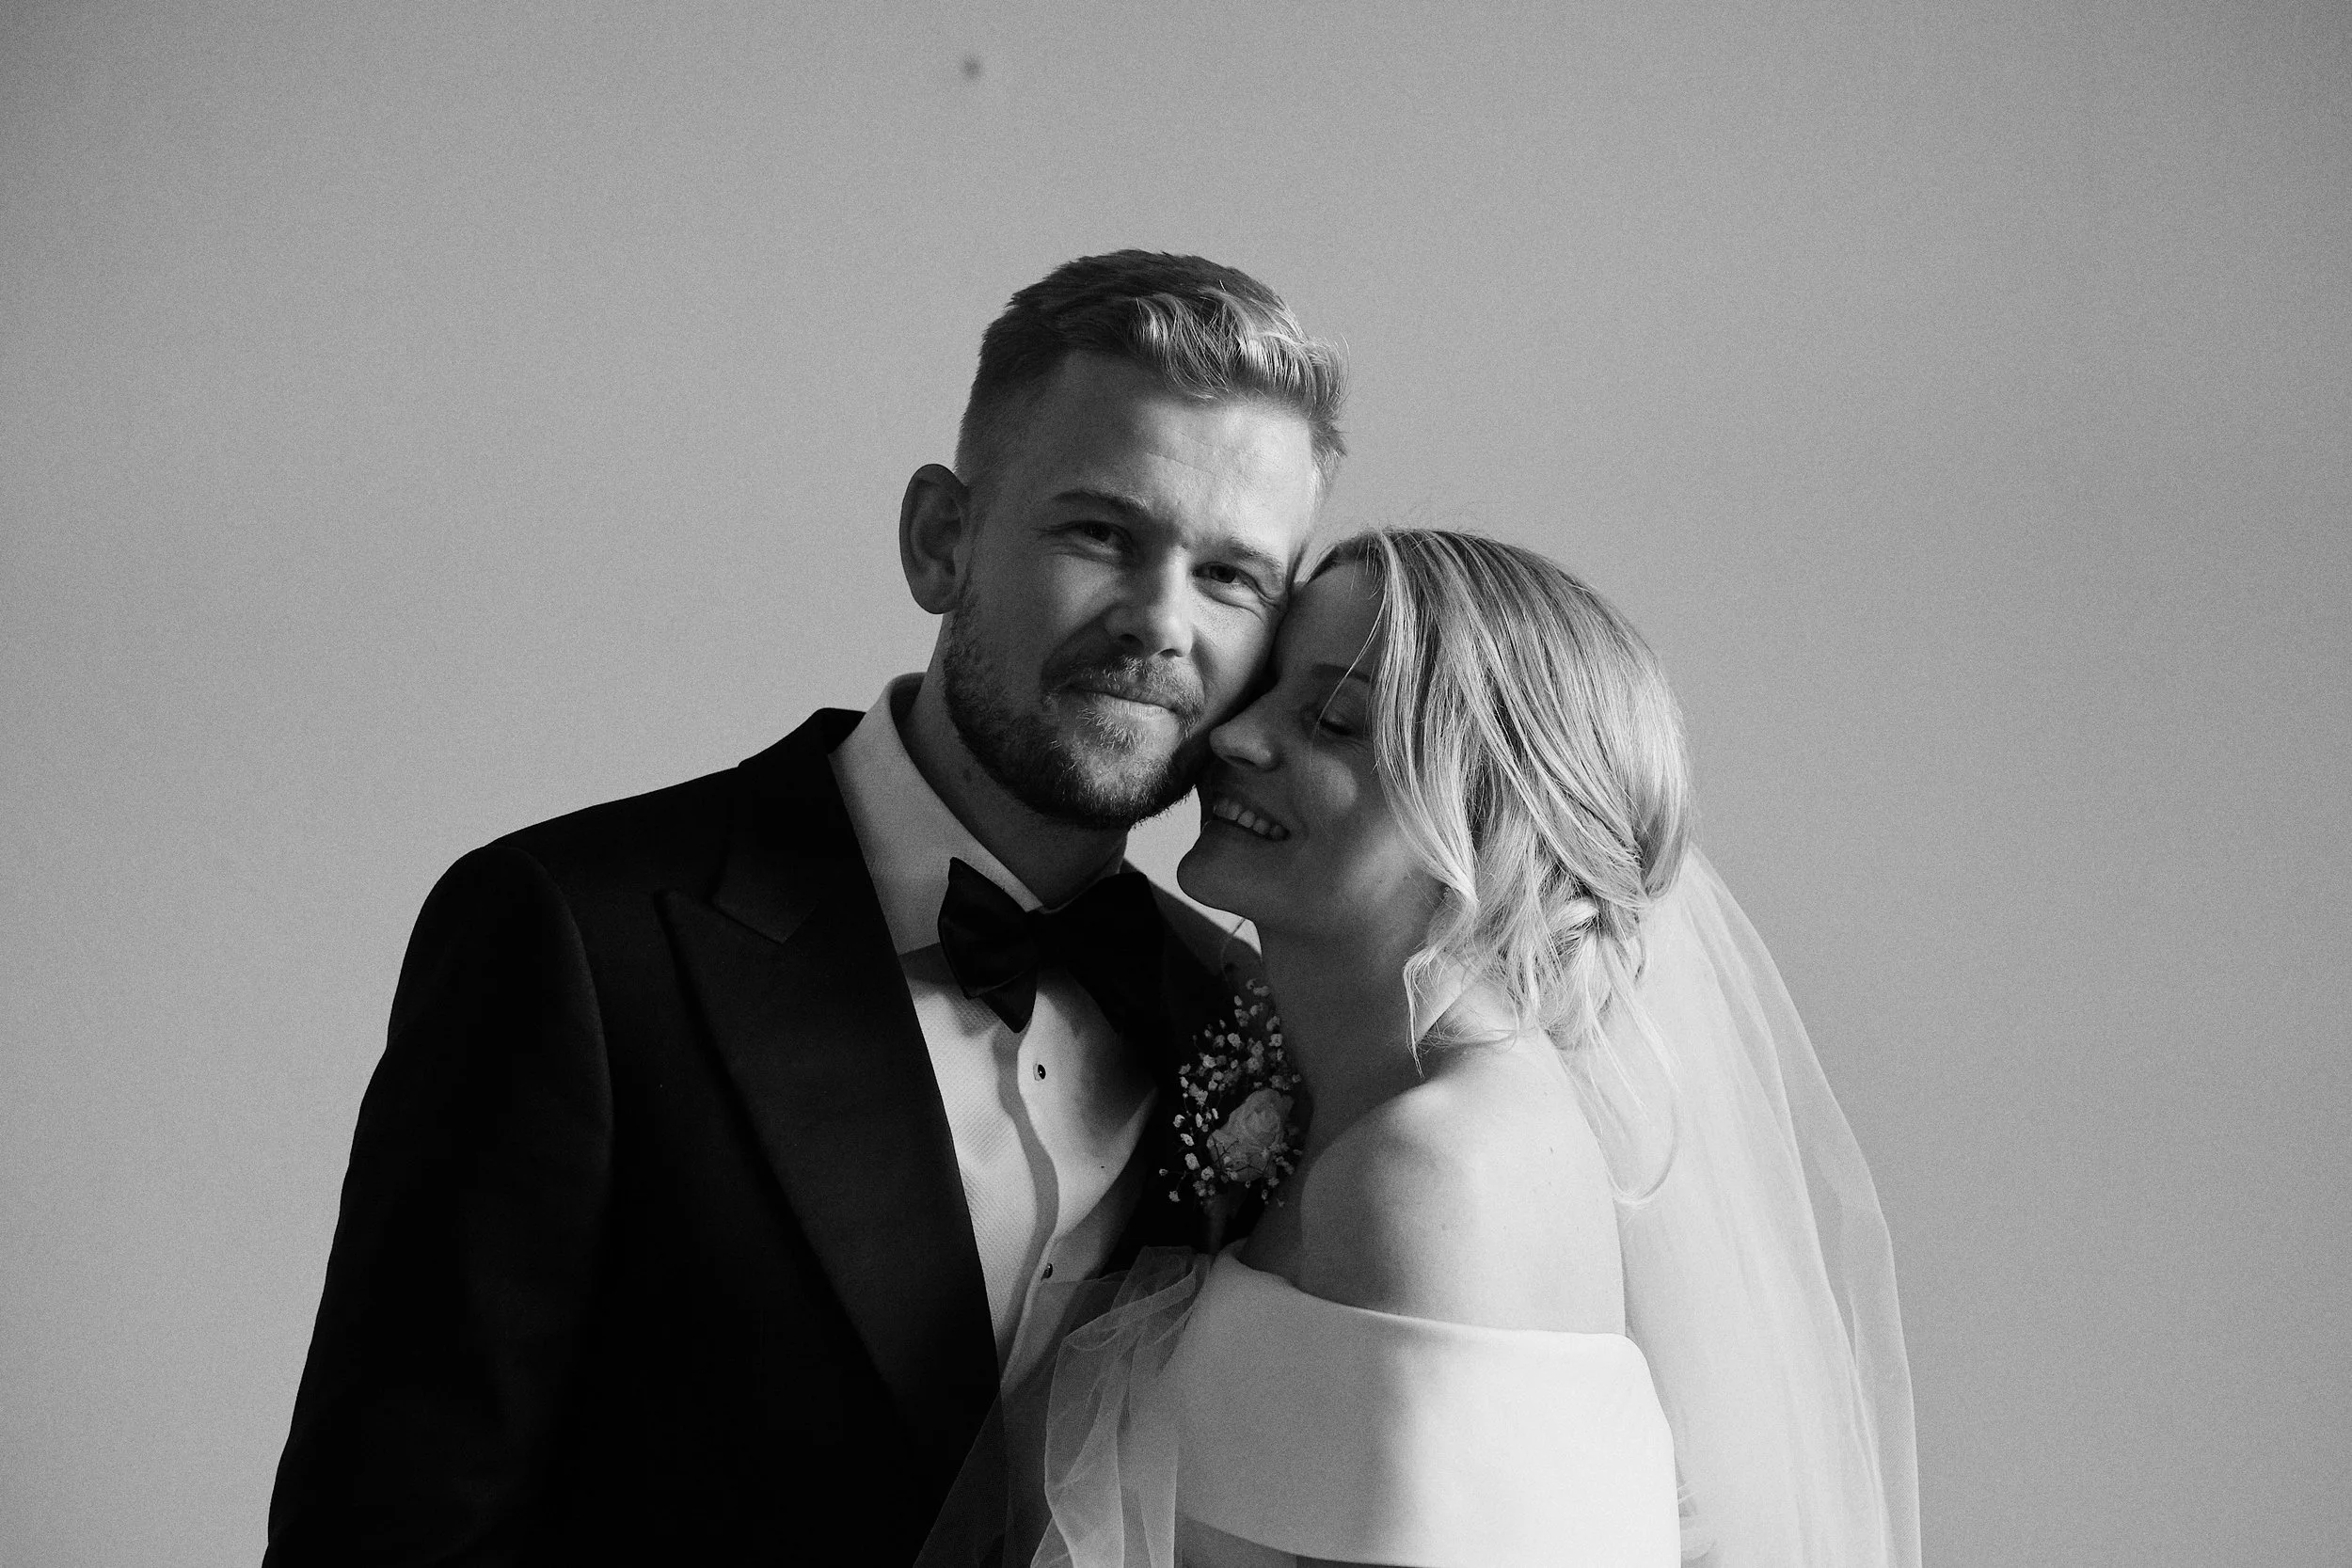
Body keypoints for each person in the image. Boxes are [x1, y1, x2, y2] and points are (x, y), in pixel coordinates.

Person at [263, 251, 1346, 1566]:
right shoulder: (574, 936)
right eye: (1100, 533)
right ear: (940, 539)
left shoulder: (1245, 1014)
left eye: (1231, 576)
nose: (1159, 623)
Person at [1013, 531, 1919, 1567]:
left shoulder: (1435, 1169)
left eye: (1333, 719)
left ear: (1493, 808)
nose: (1235, 735)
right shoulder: (1351, 1096)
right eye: (1260, 690)